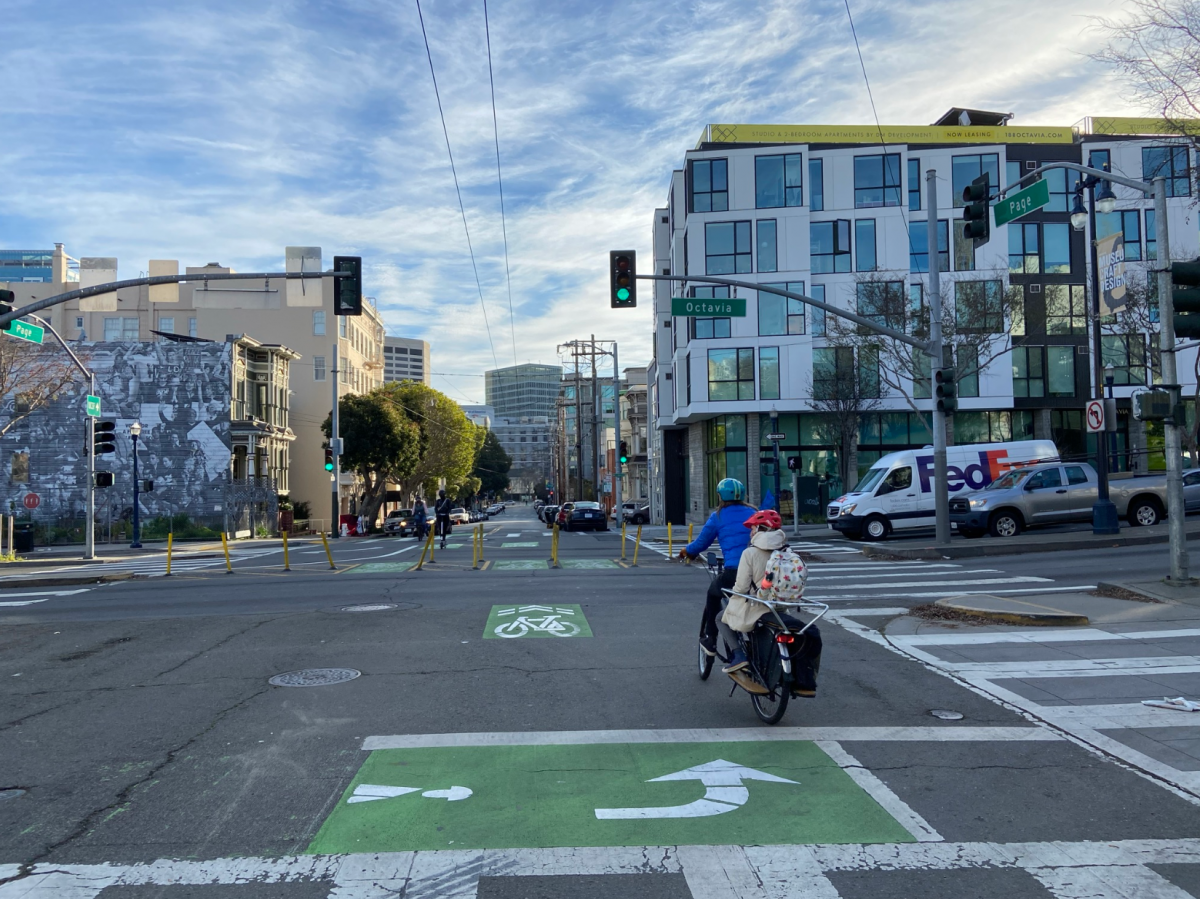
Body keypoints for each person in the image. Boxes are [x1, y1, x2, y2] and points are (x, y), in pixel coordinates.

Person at [719, 508, 820, 698]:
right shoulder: (787, 552)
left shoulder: (750, 553)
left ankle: (739, 655)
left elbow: (741, 588)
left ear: (759, 529)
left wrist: (733, 596)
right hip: (782, 608)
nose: (750, 532)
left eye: (752, 528)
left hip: (759, 607)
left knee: (720, 618)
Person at [676, 478, 756, 658]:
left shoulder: (718, 516)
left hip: (735, 572)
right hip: (759, 572)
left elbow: (700, 544)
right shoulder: (754, 512)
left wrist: (686, 552)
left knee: (713, 594)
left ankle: (711, 640)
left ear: (720, 496)